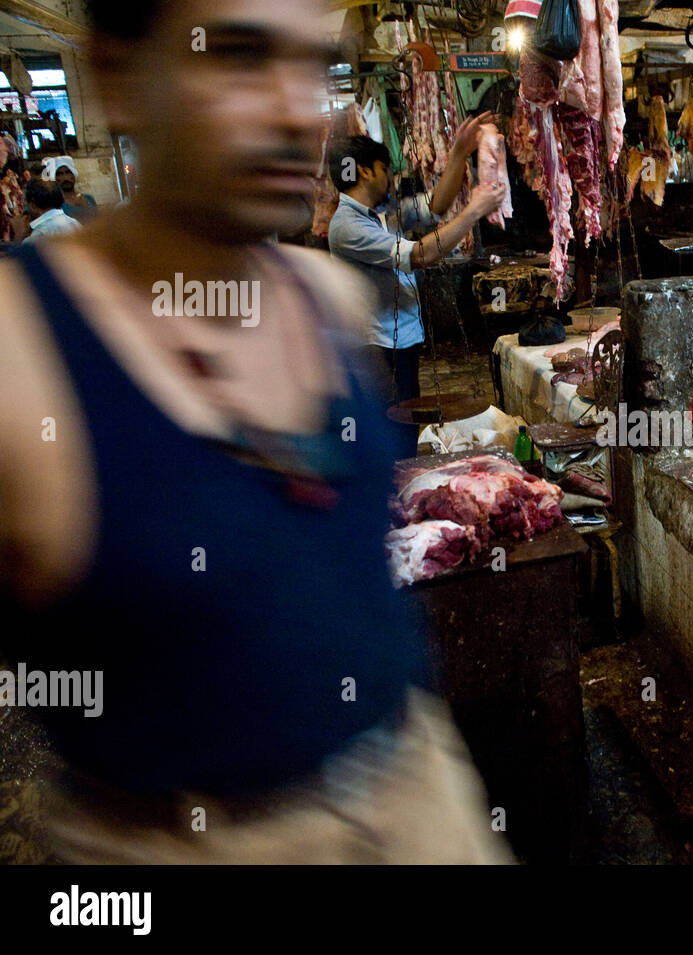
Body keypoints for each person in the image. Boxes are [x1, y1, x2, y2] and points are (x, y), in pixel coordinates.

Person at [0, 0, 507, 863]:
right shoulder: (23, 349)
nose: (287, 109)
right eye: (237, 56)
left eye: (307, 65)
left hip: (422, 801)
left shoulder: (324, 299)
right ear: (119, 76)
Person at [328, 128, 503, 405]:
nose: (389, 178)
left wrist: (458, 154)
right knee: (394, 428)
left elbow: (436, 204)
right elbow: (419, 256)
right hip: (378, 349)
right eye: (384, 168)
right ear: (364, 172)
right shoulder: (348, 226)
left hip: (399, 342)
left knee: (406, 418)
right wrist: (474, 211)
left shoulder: (383, 214)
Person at [43, 156, 98, 222]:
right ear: (54, 178)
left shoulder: (89, 199)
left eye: (68, 172)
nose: (65, 178)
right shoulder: (55, 205)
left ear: (74, 175)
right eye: (59, 174)